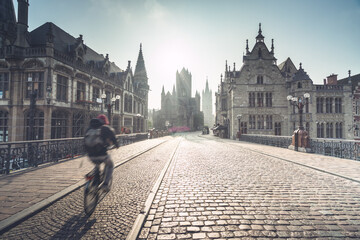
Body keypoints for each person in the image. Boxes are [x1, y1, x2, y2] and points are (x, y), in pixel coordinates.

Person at [84, 114, 119, 192]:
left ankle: (94, 181)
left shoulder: (89, 128)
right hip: (102, 155)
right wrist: (116, 145)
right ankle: (105, 184)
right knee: (110, 165)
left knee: (97, 164)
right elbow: (114, 138)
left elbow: (84, 141)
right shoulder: (105, 128)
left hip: (90, 155)